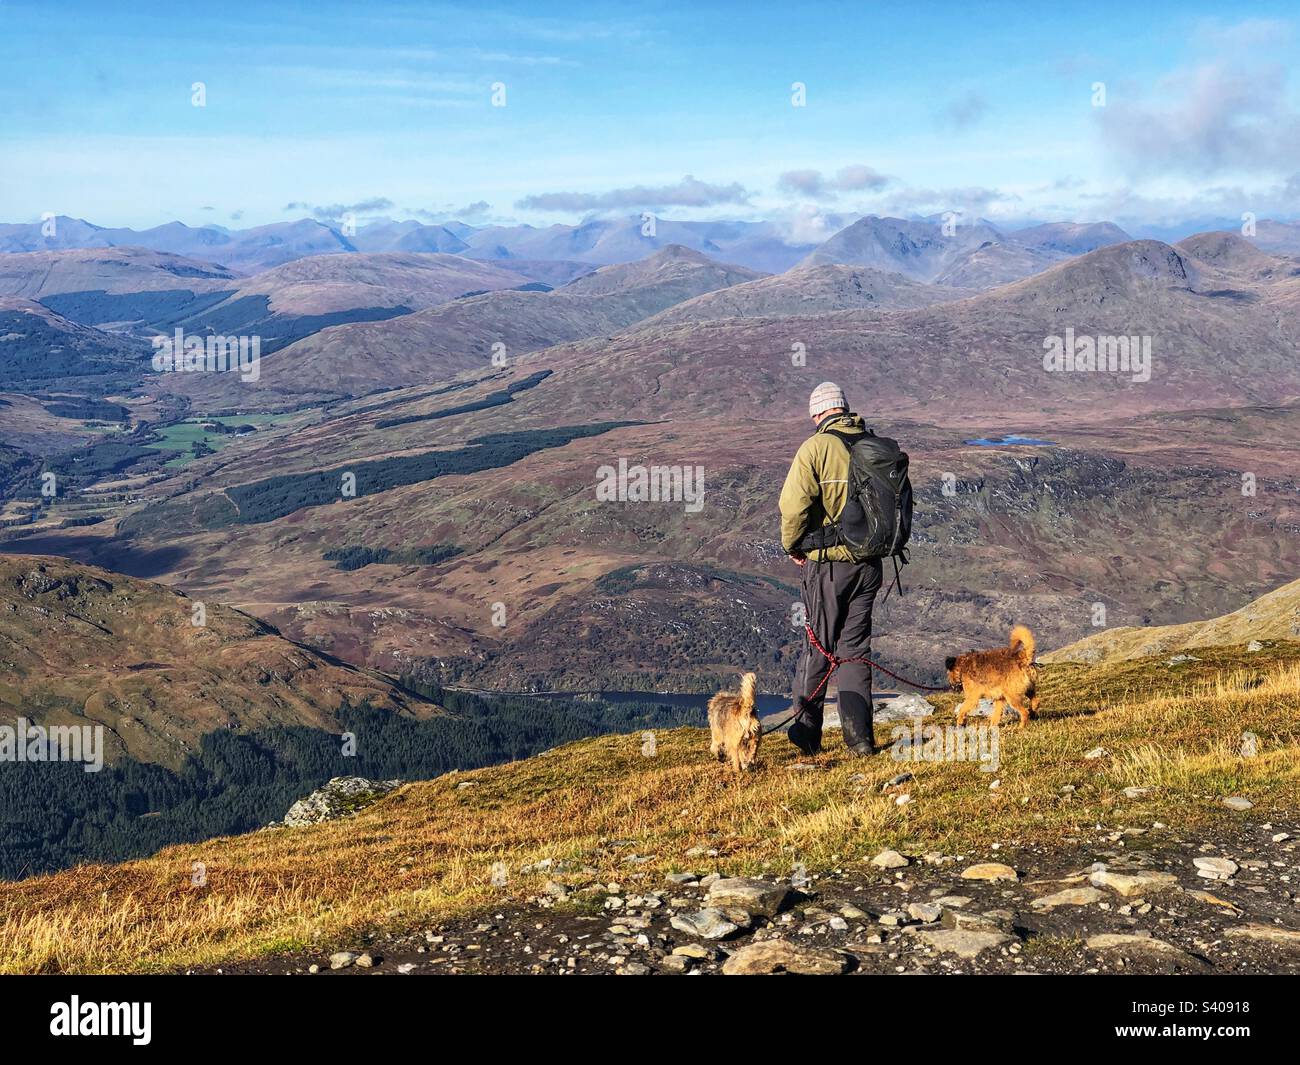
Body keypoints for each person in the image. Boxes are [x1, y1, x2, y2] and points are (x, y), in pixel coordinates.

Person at [778, 381, 882, 757]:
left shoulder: (817, 447)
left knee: (818, 649)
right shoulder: (872, 445)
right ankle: (860, 740)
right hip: (870, 566)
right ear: (845, 409)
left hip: (829, 567)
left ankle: (807, 735)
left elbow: (793, 508)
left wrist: (793, 546)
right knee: (855, 651)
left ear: (817, 414)